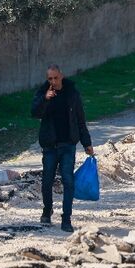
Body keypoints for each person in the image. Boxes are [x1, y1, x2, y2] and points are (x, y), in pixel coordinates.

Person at [31, 64, 93, 233]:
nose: (53, 81)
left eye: (55, 78)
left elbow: (80, 120)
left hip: (68, 145)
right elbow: (35, 113)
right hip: (50, 145)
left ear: (61, 76)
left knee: (68, 181)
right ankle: (47, 210)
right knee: (47, 181)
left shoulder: (72, 93)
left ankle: (66, 218)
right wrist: (46, 98)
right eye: (50, 78)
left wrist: (87, 143)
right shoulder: (43, 93)